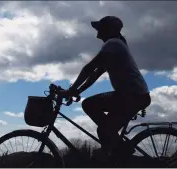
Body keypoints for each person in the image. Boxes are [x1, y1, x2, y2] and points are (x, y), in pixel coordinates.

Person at [63, 16, 151, 157]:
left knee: (91, 108)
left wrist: (71, 90)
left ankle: (121, 151)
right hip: (133, 95)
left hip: (132, 96)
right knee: (104, 130)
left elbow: (89, 68)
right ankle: (115, 152)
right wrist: (77, 90)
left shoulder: (113, 44)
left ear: (108, 30)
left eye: (100, 28)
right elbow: (95, 75)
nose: (97, 33)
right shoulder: (115, 46)